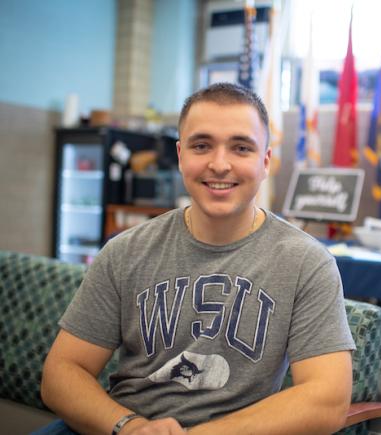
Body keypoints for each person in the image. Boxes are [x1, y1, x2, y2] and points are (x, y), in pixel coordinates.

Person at [40, 82, 355, 434]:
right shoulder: (124, 252)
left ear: (265, 161)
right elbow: (60, 373)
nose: (220, 165)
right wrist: (129, 427)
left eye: (241, 148)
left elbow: (328, 399)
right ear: (180, 155)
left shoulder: (306, 263)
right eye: (202, 145)